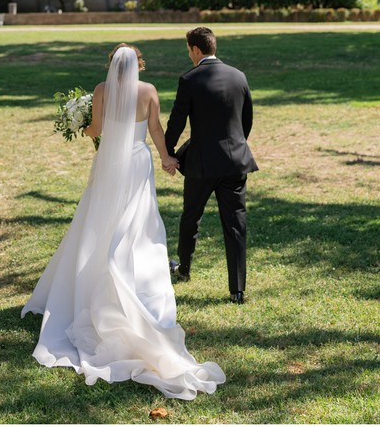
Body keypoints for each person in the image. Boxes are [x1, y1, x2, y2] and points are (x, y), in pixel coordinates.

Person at [21, 43, 225, 400]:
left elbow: (96, 130)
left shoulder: (102, 90)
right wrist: (167, 159)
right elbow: (157, 131)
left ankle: (98, 273)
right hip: (137, 163)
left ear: (111, 65)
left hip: (110, 164)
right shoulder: (148, 92)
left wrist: (82, 124)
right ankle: (133, 274)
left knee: (98, 220)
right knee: (138, 223)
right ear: (139, 65)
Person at [164, 27, 257, 304]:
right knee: (236, 224)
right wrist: (236, 146)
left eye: (188, 50)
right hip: (235, 161)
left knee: (191, 216)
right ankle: (237, 290)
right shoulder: (238, 76)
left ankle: (184, 269)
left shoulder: (190, 79)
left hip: (202, 164)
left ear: (195, 49)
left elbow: (177, 122)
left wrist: (168, 153)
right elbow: (247, 119)